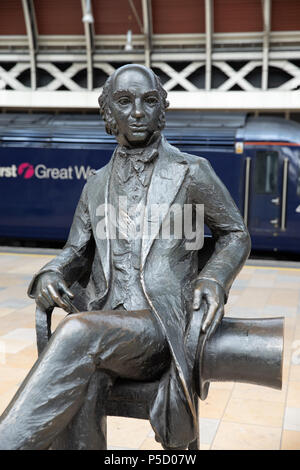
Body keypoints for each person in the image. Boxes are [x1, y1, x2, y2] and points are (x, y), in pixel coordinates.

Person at [0, 64, 250, 450]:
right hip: (107, 326)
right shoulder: (96, 184)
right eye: (124, 101)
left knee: (78, 331)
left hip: (161, 325)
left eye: (149, 101)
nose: (137, 112)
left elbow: (234, 234)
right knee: (80, 374)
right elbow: (74, 251)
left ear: (161, 110)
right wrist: (51, 273)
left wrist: (213, 278)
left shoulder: (192, 172)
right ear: (108, 113)